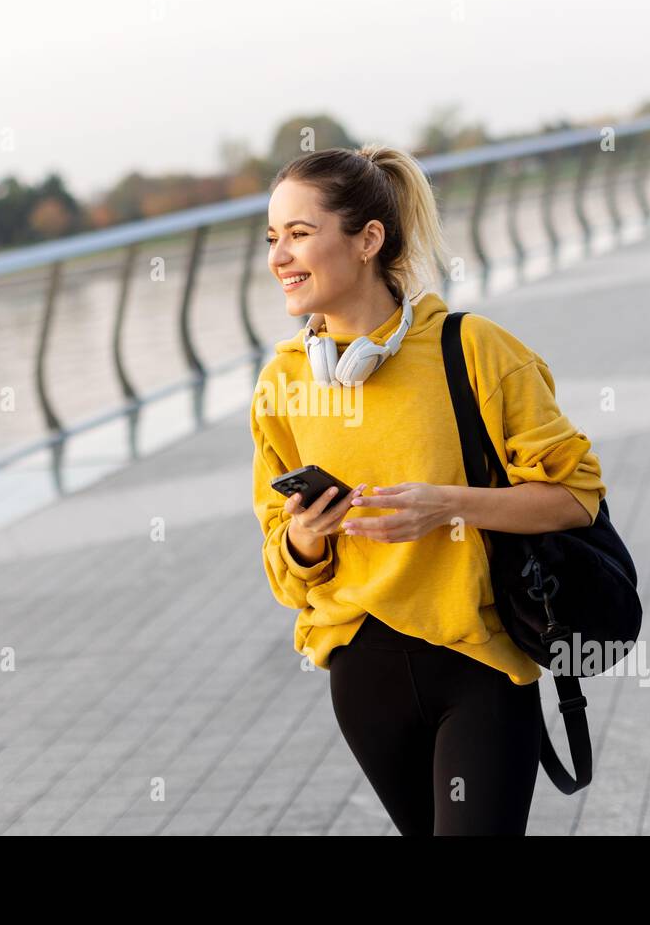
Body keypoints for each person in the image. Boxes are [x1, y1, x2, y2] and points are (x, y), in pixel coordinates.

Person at [250, 144, 606, 835]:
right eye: (272, 238)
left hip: (479, 666)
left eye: (299, 234)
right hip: (362, 676)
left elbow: (577, 496)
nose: (279, 257)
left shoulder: (474, 350)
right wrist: (303, 537)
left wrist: (448, 503)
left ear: (368, 239)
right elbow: (281, 568)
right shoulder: (282, 384)